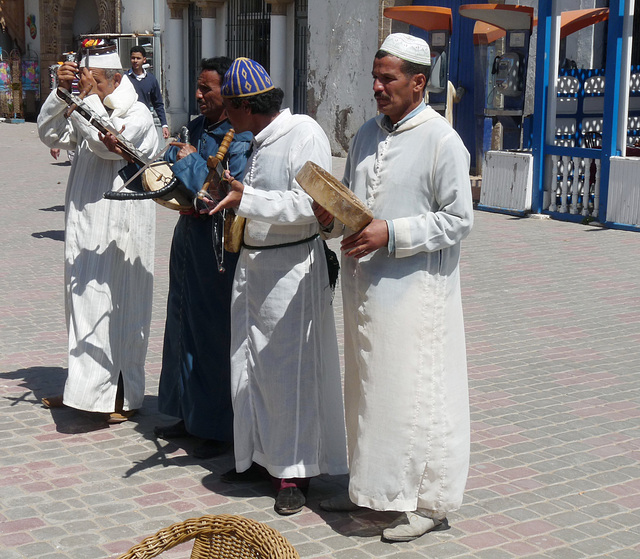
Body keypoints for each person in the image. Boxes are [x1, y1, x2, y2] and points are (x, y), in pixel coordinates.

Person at [315, 33, 474, 542]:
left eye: (389, 79)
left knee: (418, 394)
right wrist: (329, 217)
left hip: (416, 293)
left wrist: (394, 231)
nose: (378, 88)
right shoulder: (365, 134)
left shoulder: (441, 140)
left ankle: (429, 502)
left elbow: (458, 220)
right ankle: (371, 489)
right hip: (365, 288)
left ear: (419, 82)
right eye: (375, 78)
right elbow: (352, 204)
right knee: (368, 389)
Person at [209, 57, 348, 515]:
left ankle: (293, 472)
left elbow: (312, 205)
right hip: (253, 271)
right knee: (249, 369)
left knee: (289, 375)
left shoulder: (304, 133)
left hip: (290, 274)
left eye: (229, 106)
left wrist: (246, 198)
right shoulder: (256, 140)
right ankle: (255, 457)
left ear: (247, 105)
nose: (224, 115)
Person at [37, 46, 158, 423]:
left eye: (96, 80)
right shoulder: (91, 104)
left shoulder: (136, 113)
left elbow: (109, 148)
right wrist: (60, 95)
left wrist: (87, 102)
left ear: (116, 80)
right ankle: (84, 388)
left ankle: (119, 395)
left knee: (116, 305)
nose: (88, 85)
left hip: (120, 225)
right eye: (86, 80)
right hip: (87, 218)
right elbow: (50, 134)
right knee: (83, 303)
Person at [152, 57, 252, 459]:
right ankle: (184, 411)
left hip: (217, 244)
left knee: (212, 329)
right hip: (187, 237)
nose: (198, 95)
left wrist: (192, 161)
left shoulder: (241, 137)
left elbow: (221, 192)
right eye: (198, 87)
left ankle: (215, 424)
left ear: (227, 94)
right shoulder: (194, 127)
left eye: (206, 89)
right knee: (180, 320)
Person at [127, 46, 170, 140]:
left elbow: (158, 103)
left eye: (138, 58)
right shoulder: (124, 78)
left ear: (144, 60)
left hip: (145, 123)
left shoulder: (151, 80)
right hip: (128, 124)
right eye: (133, 58)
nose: (135, 61)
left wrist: (164, 125)